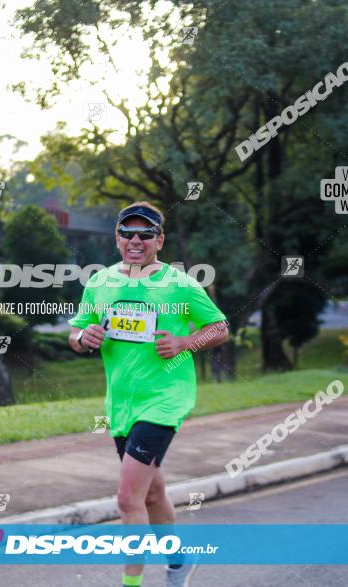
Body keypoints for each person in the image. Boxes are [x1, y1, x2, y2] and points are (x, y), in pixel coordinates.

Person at [68, 202, 228, 587]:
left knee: (127, 499)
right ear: (117, 238)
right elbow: (77, 332)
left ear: (159, 239)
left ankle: (132, 584)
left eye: (145, 233)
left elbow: (219, 327)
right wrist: (81, 338)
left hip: (164, 400)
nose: (135, 240)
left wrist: (186, 341)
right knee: (152, 495)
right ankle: (179, 562)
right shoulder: (99, 283)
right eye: (127, 232)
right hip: (121, 405)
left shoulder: (181, 284)